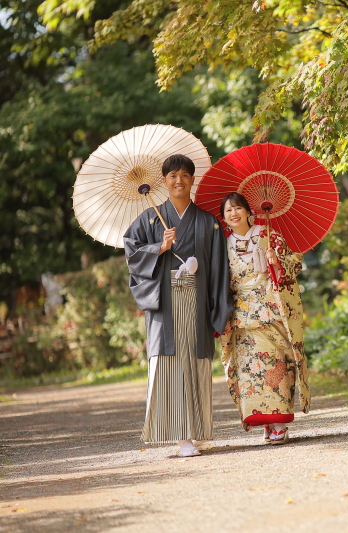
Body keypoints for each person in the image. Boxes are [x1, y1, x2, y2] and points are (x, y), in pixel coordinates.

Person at [123, 154, 233, 457]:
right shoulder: (149, 218)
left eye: (185, 175)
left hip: (197, 300)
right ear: (164, 181)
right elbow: (132, 253)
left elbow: (219, 270)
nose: (179, 181)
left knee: (196, 365)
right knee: (169, 365)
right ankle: (180, 437)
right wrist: (160, 246)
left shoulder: (209, 222)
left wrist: (219, 310)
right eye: (172, 176)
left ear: (192, 180)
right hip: (166, 302)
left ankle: (197, 431)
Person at [219, 193, 310, 444]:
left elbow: (296, 263)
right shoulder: (223, 245)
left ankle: (279, 421)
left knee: (276, 366)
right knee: (250, 372)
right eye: (228, 211)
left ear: (250, 212)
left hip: (272, 310)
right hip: (241, 314)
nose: (234, 213)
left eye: (238, 208)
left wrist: (277, 261)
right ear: (224, 218)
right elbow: (219, 281)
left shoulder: (269, 234)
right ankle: (264, 419)